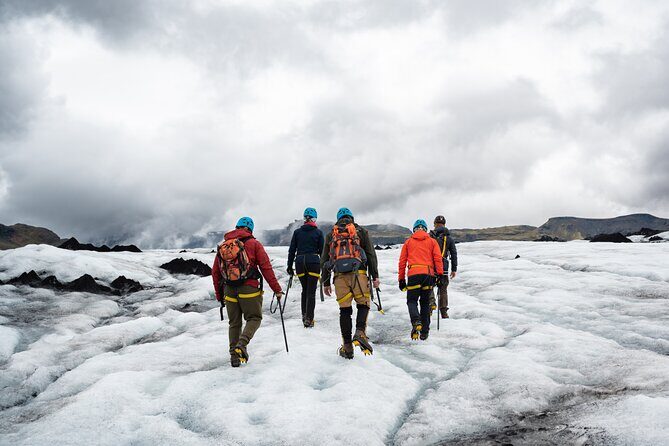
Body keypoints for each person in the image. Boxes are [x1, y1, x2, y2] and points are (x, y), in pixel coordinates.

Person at [212, 216, 283, 367]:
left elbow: (216, 272)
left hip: (229, 290)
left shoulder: (224, 246)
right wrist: (277, 289)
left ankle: (234, 357)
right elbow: (266, 268)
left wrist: (220, 296)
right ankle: (241, 345)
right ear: (250, 229)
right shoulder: (254, 244)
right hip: (248, 288)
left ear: (236, 227)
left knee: (234, 323)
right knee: (254, 318)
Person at [322, 207, 379, 359]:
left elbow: (325, 260)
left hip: (339, 277)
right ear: (352, 218)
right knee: (363, 304)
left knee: (345, 311)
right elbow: (371, 255)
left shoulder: (331, 235)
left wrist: (325, 282)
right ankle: (360, 332)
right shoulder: (361, 232)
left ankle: (347, 348)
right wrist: (375, 276)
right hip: (358, 274)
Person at [398, 219, 444, 341]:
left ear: (414, 230)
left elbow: (402, 262)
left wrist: (401, 279)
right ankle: (424, 332)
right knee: (425, 303)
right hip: (428, 276)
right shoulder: (432, 242)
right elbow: (437, 259)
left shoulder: (408, 242)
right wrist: (439, 275)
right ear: (425, 229)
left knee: (412, 301)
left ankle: (416, 321)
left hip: (413, 275)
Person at [287, 207, 325, 328]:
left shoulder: (297, 232)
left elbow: (292, 250)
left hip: (299, 263)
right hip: (313, 262)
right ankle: (309, 319)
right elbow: (322, 251)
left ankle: (304, 316)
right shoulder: (318, 233)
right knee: (311, 292)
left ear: (304, 218)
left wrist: (289, 266)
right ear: (314, 219)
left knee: (304, 290)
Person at [429, 215, 458, 318]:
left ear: (434, 224)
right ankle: (444, 312)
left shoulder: (430, 236)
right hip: (444, 267)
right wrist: (454, 269)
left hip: (431, 267)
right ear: (444, 224)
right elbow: (453, 254)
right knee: (443, 289)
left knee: (429, 287)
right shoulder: (449, 238)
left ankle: (430, 307)